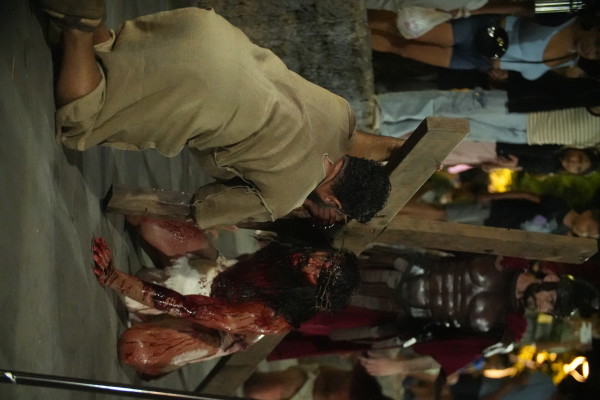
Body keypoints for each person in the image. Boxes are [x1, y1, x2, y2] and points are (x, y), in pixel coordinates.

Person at [39, 0, 397, 230]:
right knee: (83, 120)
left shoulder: (341, 114)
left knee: (120, 52)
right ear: (334, 201)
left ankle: (87, 26)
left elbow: (352, 141)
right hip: (202, 88)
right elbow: (206, 206)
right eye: (338, 212)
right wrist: (290, 205)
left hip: (210, 33)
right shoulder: (284, 196)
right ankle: (80, 27)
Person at [91, 217, 360, 377]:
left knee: (135, 350)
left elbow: (188, 307)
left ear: (312, 290)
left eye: (318, 273)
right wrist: (217, 215)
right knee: (149, 219)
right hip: (218, 269)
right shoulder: (306, 245)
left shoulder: (267, 315)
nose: (312, 262)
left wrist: (115, 278)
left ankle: (163, 345)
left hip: (210, 323)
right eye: (324, 260)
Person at [269, 251, 599, 377]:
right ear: (551, 278)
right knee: (301, 274)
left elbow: (453, 355)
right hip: (391, 270)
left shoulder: (511, 328)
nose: (544, 307)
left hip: (386, 316)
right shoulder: (509, 254)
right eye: (550, 300)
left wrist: (399, 366)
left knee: (297, 316)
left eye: (550, 310)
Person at [368, 9, 600, 80]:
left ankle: (355, 36)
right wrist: (477, 10)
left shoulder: (568, 62)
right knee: (406, 29)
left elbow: (522, 65)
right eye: (598, 43)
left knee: (402, 49)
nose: (592, 50)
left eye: (597, 54)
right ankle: (356, 16)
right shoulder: (565, 17)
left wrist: (502, 74)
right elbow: (518, 9)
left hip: (477, 61)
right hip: (480, 31)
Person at [376, 89, 600, 147]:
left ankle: (384, 130)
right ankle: (382, 109)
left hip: (532, 138)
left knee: (452, 125)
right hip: (531, 110)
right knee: (455, 105)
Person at [399, 191, 600, 238]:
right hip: (495, 211)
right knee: (443, 214)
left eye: (588, 234)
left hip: (493, 229)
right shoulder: (559, 206)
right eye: (588, 228)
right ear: (588, 214)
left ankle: (398, 213)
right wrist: (492, 196)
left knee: (443, 220)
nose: (583, 233)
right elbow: (525, 195)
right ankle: (397, 208)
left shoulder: (561, 234)